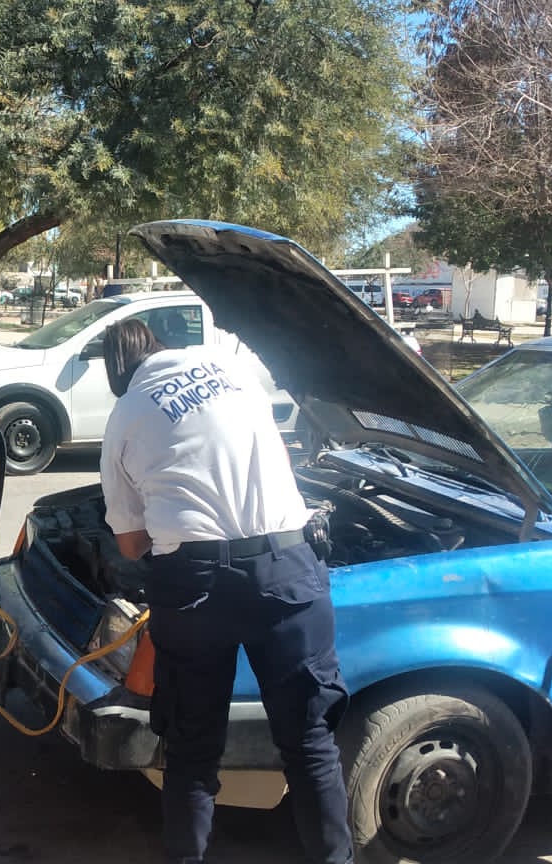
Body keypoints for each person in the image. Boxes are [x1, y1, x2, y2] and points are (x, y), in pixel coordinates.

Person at [98, 319, 352, 864]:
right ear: (160, 346)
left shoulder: (125, 415)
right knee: (310, 745)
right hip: (285, 569)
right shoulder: (232, 371)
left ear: (119, 374)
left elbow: (131, 545)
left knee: (191, 750)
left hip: (194, 588)